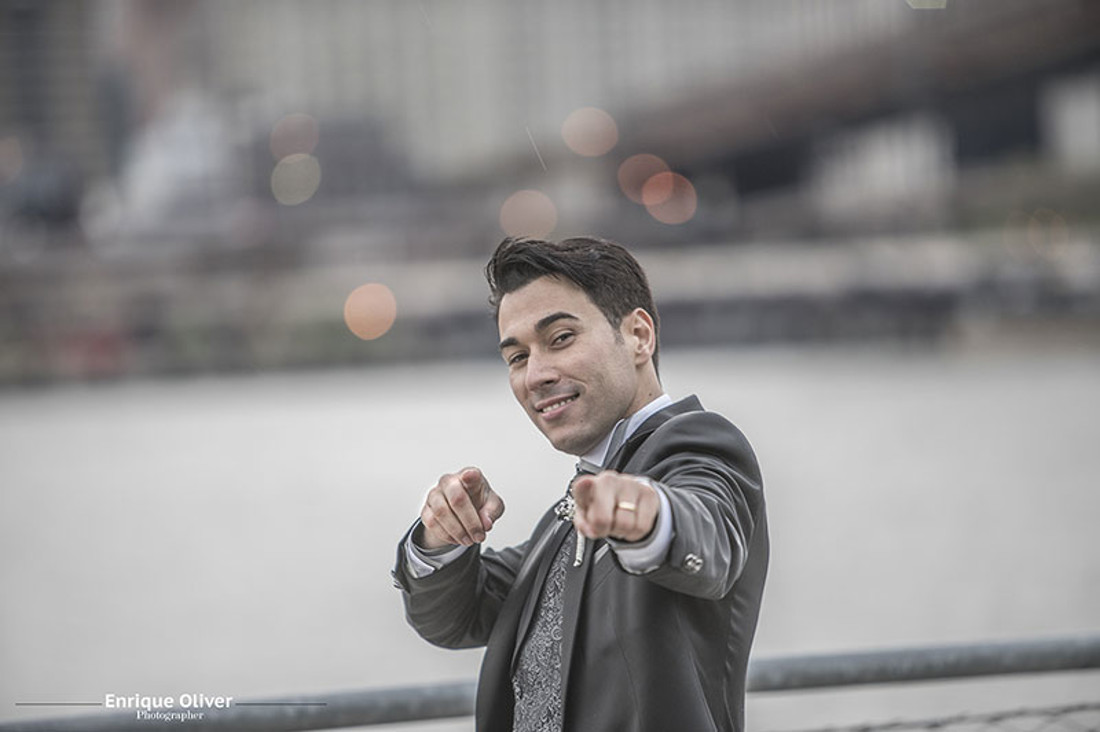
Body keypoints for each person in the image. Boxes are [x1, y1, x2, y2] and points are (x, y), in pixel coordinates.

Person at [391, 236, 768, 732]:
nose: (536, 375)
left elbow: (708, 535)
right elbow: (456, 618)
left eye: (561, 338)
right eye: (517, 357)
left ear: (638, 335)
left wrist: (645, 516)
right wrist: (439, 539)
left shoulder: (699, 444)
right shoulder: (564, 517)